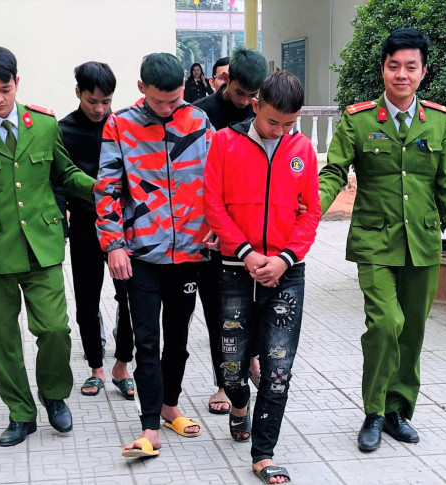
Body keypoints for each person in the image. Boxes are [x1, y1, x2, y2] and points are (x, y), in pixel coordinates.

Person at [318, 28, 446, 452]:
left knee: (413, 330)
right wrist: (311, 209)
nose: (401, 74)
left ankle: (397, 411)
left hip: (422, 243)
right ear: (383, 69)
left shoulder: (438, 121)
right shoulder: (359, 119)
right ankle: (373, 411)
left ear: (423, 72)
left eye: (410, 67)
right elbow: (334, 172)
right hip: (374, 241)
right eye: (394, 66)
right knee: (386, 323)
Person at [0, 46, 96, 447]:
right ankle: (21, 414)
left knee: (55, 329)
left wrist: (103, 190)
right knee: (3, 340)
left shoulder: (42, 124)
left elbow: (66, 173)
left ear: (17, 83)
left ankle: (54, 394)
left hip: (42, 247)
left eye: (4, 89)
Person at [204, 70, 321, 485]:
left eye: (289, 123)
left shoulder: (302, 149)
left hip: (286, 274)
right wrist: (247, 252)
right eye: (273, 121)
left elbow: (311, 211)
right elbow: (213, 204)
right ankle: (239, 405)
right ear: (256, 106)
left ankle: (263, 453)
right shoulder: (225, 142)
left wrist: (285, 259)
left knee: (277, 368)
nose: (279, 131)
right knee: (232, 368)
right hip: (237, 269)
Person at [95, 52, 213, 458]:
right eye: (159, 101)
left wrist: (216, 228)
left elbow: (217, 180)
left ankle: (169, 406)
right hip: (141, 254)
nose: (167, 108)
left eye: (175, 100)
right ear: (141, 88)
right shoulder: (120, 124)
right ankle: (149, 427)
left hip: (190, 254)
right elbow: (107, 189)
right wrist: (114, 244)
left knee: (178, 340)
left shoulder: (199, 122)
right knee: (146, 341)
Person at [193, 47, 270, 415]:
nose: (246, 102)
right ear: (225, 80)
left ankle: (249, 359)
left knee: (253, 304)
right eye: (241, 93)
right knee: (219, 310)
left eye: (253, 95)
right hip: (213, 228)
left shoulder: (263, 113)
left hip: (254, 227)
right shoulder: (202, 114)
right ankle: (224, 383)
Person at [57, 61, 135, 400]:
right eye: (92, 101)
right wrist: (62, 225)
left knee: (130, 297)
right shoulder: (63, 130)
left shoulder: (124, 126)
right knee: (87, 300)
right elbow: (58, 180)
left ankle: (122, 366)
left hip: (121, 228)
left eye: (106, 101)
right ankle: (96, 368)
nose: (100, 109)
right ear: (78, 93)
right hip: (85, 225)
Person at [194, 47, 266, 130]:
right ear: (226, 78)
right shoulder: (199, 112)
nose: (244, 102)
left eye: (252, 95)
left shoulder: (261, 113)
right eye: (240, 93)